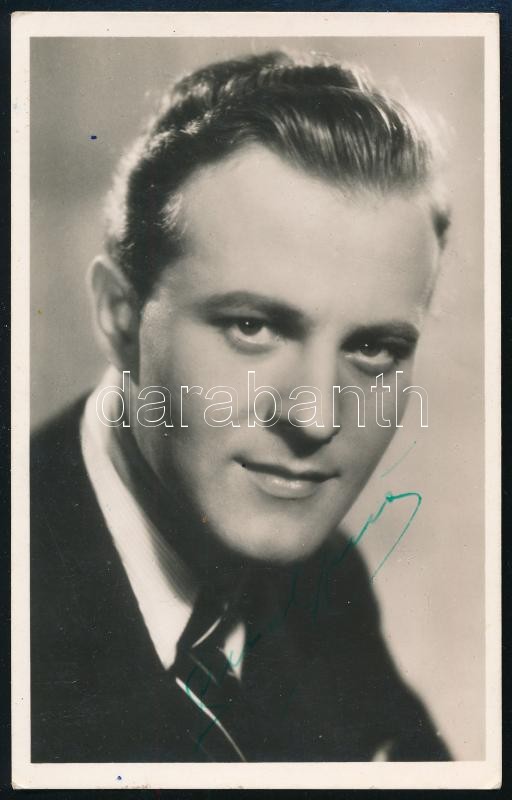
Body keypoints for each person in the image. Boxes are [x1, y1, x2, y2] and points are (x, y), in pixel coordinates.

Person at [31, 50, 451, 763]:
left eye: (374, 348)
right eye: (252, 327)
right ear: (120, 318)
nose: (317, 419)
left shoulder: (326, 581)